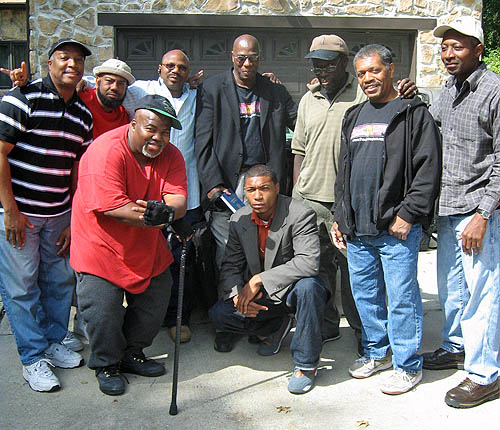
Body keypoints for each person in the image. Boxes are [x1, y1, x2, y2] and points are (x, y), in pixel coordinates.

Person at [331, 44, 441, 395]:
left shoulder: (412, 112)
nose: (367, 79)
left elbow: (428, 169)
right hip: (358, 228)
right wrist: (340, 217)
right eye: (362, 73)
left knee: (403, 298)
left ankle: (408, 365)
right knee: (366, 297)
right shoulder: (353, 115)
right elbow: (343, 171)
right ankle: (376, 352)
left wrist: (408, 214)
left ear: (391, 70)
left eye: (374, 71)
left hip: (395, 229)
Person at [70, 95, 188, 396]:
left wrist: (169, 211)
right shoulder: (105, 150)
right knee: (102, 309)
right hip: (101, 247)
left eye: (165, 132)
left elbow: (178, 200)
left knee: (156, 298)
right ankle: (106, 363)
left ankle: (132, 353)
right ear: (133, 124)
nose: (159, 138)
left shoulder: (171, 155)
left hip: (146, 246)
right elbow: (113, 208)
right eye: (152, 129)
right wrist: (157, 215)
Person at [0, 38, 93, 392]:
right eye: (63, 57)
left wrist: (71, 215)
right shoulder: (22, 98)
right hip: (19, 214)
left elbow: (74, 169)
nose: (72, 64)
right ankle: (33, 357)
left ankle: (54, 338)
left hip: (57, 214)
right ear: (48, 63)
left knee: (58, 282)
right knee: (21, 288)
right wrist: (10, 210)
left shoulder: (82, 115)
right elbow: (0, 154)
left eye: (78, 60)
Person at [422, 16, 500, 408]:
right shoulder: (446, 90)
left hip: (480, 211)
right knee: (452, 289)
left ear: (478, 50)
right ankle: (455, 347)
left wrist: (484, 215)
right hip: (448, 207)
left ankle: (486, 374)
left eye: (458, 46)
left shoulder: (494, 92)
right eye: (444, 47)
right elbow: (431, 133)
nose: (448, 54)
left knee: (483, 293)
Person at [209, 164, 327, 394]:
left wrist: (258, 280)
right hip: (264, 295)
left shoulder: (300, 214)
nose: (257, 196)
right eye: (251, 190)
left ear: (277, 188)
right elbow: (231, 264)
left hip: (292, 290)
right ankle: (274, 326)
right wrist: (236, 296)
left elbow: (308, 262)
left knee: (310, 288)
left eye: (264, 188)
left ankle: (306, 364)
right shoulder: (239, 218)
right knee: (218, 315)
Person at [195, 34, 297, 270]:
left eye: (252, 58)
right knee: (227, 245)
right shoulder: (212, 89)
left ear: (259, 59)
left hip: (263, 180)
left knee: (266, 242)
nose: (247, 64)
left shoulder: (273, 91)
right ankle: (230, 299)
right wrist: (213, 184)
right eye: (241, 58)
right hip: (227, 182)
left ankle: (260, 297)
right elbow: (202, 142)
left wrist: (315, 92)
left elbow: (301, 123)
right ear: (232, 57)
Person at [291, 35, 365, 349]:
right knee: (317, 270)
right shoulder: (309, 99)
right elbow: (299, 150)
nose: (322, 71)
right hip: (310, 200)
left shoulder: (362, 95)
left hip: (347, 203)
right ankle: (327, 324)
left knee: (354, 273)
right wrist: (297, 194)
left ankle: (365, 333)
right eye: (317, 65)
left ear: (345, 63)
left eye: (329, 64)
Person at [79, 58, 134, 138]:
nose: (114, 87)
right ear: (98, 81)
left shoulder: (123, 116)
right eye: (109, 81)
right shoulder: (81, 101)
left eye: (121, 83)